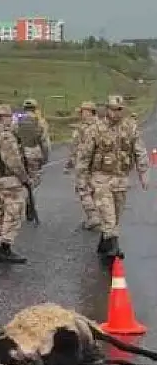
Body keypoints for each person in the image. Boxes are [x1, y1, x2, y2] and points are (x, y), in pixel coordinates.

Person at [74, 97, 149, 261]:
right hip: (100, 178)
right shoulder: (95, 129)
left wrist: (144, 174)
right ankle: (114, 247)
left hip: (121, 179)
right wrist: (82, 180)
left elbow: (140, 151)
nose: (116, 113)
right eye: (113, 109)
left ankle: (104, 243)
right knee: (107, 214)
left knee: (115, 216)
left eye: (119, 109)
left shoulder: (130, 128)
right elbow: (84, 156)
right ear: (107, 109)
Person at [0, 104, 31, 264]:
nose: (11, 120)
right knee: (14, 213)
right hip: (9, 180)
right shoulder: (5, 135)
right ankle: (5, 248)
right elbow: (13, 161)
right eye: (10, 117)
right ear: (5, 117)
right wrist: (24, 178)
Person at [64, 101, 100, 230]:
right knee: (96, 189)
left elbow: (74, 147)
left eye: (83, 112)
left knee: (83, 189)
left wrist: (69, 164)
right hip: (98, 165)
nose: (81, 115)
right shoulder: (102, 126)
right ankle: (100, 215)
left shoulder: (82, 128)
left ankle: (93, 216)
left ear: (90, 112)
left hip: (84, 163)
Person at [14, 98, 51, 191]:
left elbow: (12, 135)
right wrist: (45, 158)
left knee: (21, 179)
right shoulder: (40, 121)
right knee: (34, 179)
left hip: (20, 153)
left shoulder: (17, 120)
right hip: (34, 153)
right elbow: (44, 141)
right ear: (35, 108)